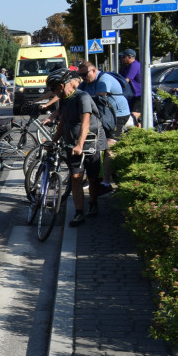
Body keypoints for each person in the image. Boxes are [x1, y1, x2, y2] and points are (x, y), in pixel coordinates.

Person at [47, 70, 107, 226]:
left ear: (61, 86)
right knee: (75, 177)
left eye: (53, 89)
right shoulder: (64, 99)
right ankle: (79, 213)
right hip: (72, 143)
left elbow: (85, 121)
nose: (52, 93)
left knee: (93, 178)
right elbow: (63, 122)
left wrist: (80, 144)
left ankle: (93, 204)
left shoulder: (82, 97)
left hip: (91, 142)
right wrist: (54, 141)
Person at [78, 61, 129, 191]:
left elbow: (99, 97)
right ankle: (91, 178)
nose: (83, 77)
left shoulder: (104, 80)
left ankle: (106, 183)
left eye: (85, 74)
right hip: (100, 116)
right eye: (81, 75)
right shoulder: (85, 83)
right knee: (90, 144)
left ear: (94, 71)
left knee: (109, 145)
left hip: (117, 115)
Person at [118, 48, 142, 125]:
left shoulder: (134, 65)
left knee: (134, 115)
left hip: (138, 94)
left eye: (123, 57)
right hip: (131, 95)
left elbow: (126, 80)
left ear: (129, 57)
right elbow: (120, 78)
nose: (121, 59)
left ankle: (137, 131)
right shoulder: (127, 66)